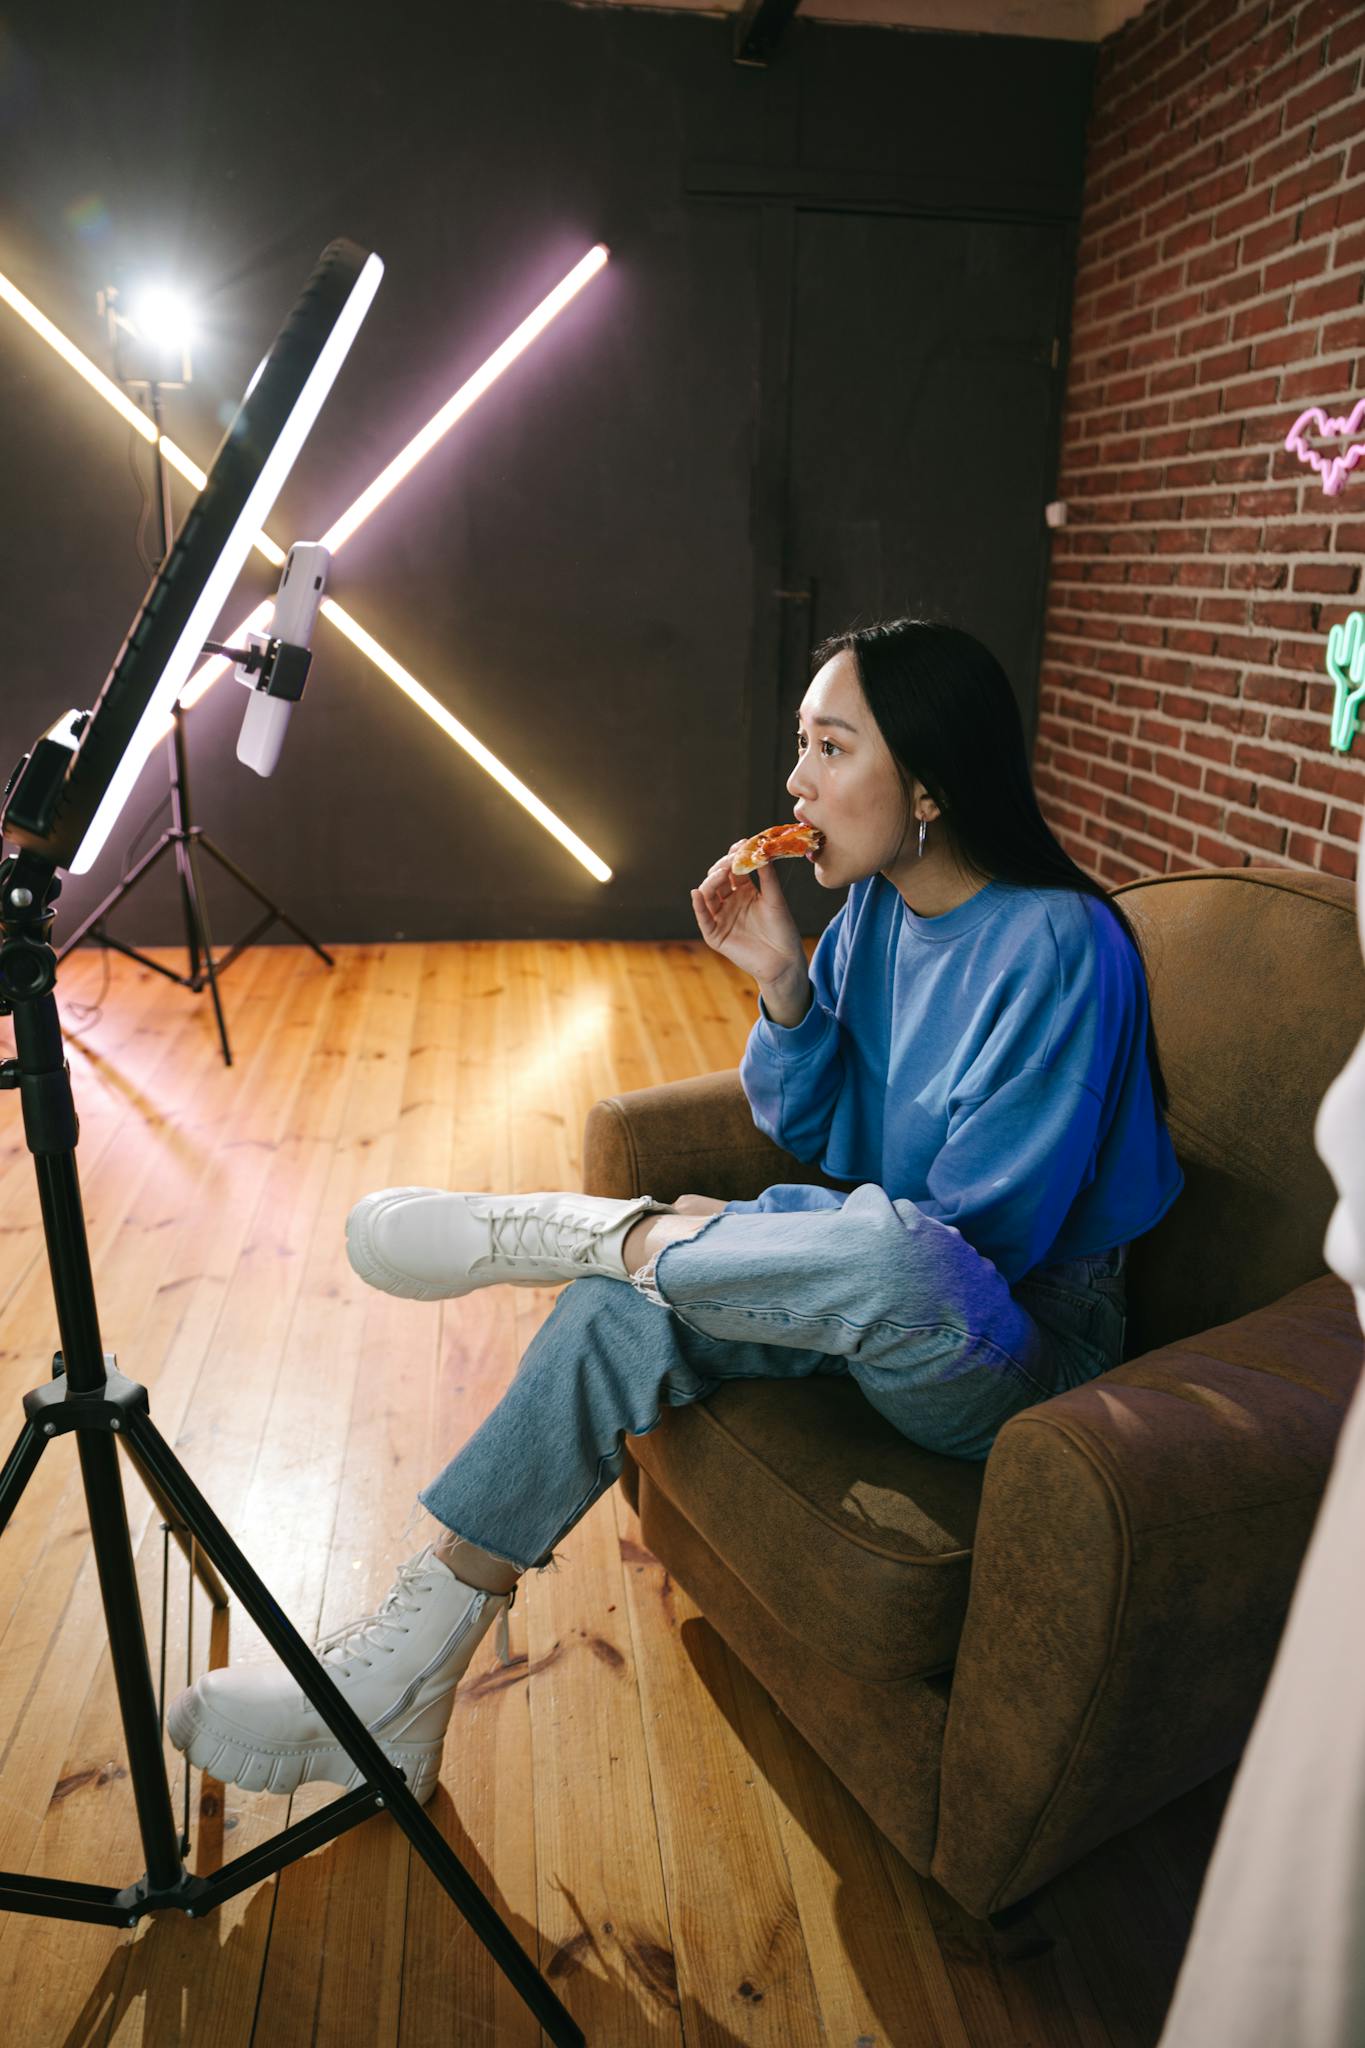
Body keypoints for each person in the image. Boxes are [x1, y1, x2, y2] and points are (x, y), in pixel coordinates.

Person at [168, 616, 1183, 1806]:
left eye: (831, 747)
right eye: (801, 744)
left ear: (931, 781)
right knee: (617, 1315)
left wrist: (761, 1226)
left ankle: (599, 1232)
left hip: (1008, 1334)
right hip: (856, 1272)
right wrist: (785, 983)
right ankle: (391, 1687)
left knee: (902, 1261)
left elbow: (974, 1244)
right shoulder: (871, 913)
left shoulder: (1064, 945)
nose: (795, 782)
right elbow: (815, 1132)